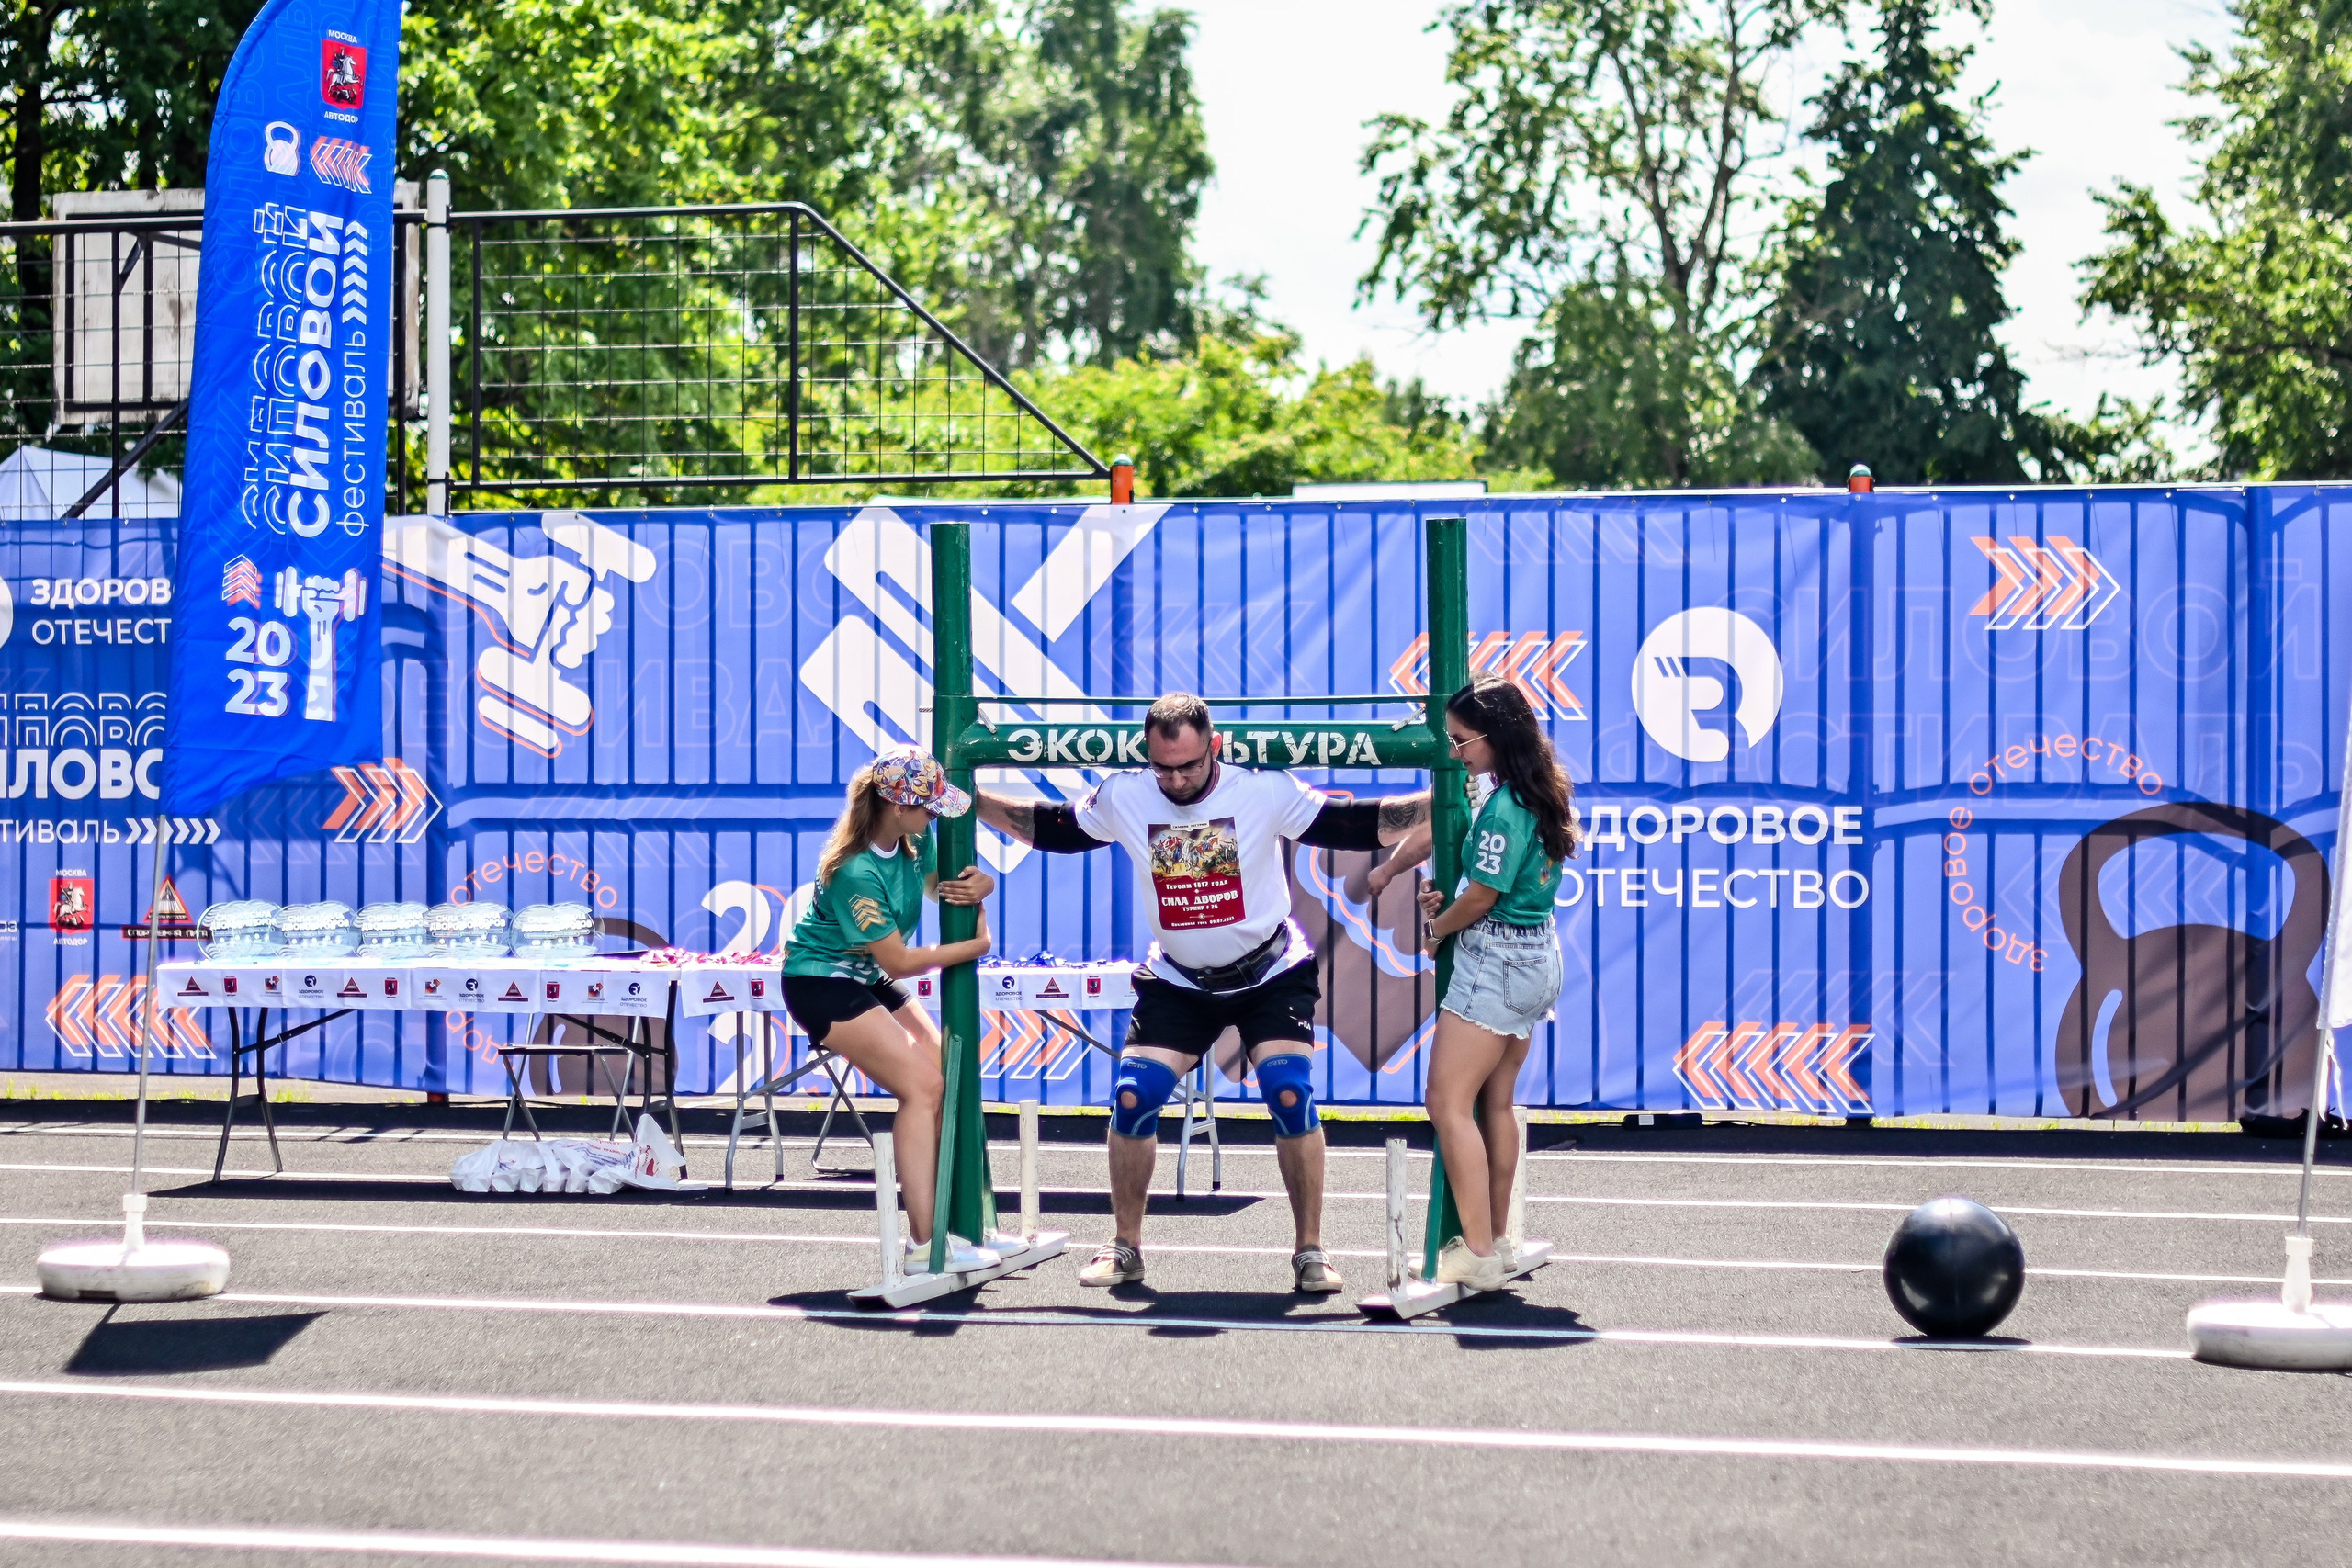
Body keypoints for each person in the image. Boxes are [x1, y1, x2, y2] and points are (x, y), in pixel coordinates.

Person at [979, 694, 1429, 1292]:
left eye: (1189, 766)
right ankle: (1125, 1246)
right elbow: (1054, 828)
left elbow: (1352, 825)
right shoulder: (1125, 795)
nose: (1176, 780)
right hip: (1181, 980)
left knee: (1289, 1093)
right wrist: (970, 797)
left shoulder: (1260, 789)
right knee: (1134, 1097)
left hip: (1270, 973)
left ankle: (1310, 1250)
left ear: (1213, 746)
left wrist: (1443, 799)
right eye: (1163, 767)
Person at [1367, 672, 1575, 1291]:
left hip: (1497, 962)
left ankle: (1478, 1251)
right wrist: (1449, 904)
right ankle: (1496, 1241)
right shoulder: (1540, 789)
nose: (1455, 752)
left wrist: (1436, 929)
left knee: (1447, 1103)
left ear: (1496, 736)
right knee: (1496, 1103)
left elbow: (1483, 896)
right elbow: (1486, 886)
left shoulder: (1505, 807)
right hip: (1535, 956)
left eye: (1461, 741)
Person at [783, 744, 1001, 1276]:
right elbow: (899, 962)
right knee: (922, 1088)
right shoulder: (855, 870)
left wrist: (982, 886)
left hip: (863, 976)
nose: (935, 816)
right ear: (898, 808)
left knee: (948, 1075)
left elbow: (945, 892)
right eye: (928, 807)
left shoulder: (914, 840)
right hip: (820, 983)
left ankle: (952, 1222)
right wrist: (975, 946)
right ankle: (925, 1242)